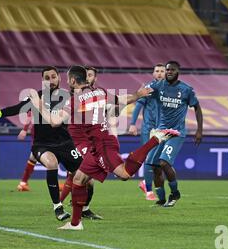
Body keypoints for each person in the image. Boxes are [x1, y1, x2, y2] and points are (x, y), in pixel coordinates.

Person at [29, 65, 179, 230]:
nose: (66, 82)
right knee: (79, 179)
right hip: (98, 143)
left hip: (102, 144)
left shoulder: (75, 100)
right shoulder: (100, 92)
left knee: (124, 174)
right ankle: (75, 223)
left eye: (67, 79)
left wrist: (38, 104)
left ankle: (155, 139)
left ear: (72, 80)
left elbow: (54, 122)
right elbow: (123, 100)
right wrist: (139, 94)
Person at [0, 66, 83, 221]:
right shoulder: (37, 98)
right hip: (42, 144)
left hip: (65, 143)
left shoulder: (68, 97)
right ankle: (58, 207)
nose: (51, 80)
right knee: (51, 163)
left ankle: (85, 208)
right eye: (47, 78)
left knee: (83, 175)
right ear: (43, 81)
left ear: (59, 78)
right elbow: (18, 108)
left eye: (53, 77)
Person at [146, 61, 203, 207]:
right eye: (167, 70)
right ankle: (161, 199)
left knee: (164, 162)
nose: (169, 72)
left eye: (172, 69)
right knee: (154, 166)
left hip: (176, 133)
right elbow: (143, 92)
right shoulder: (159, 85)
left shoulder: (186, 90)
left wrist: (199, 130)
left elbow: (197, 108)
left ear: (178, 71)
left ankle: (175, 193)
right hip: (160, 132)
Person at [59, 66, 102, 220]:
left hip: (89, 140)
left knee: (84, 178)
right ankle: (62, 206)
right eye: (87, 75)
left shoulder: (96, 95)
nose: (89, 78)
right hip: (73, 140)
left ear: (94, 78)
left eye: (91, 75)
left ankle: (79, 208)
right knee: (78, 175)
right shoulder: (73, 96)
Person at [129, 64, 165, 201]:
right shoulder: (149, 88)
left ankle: (146, 183)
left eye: (162, 71)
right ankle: (149, 191)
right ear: (153, 73)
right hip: (149, 128)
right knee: (150, 158)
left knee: (158, 160)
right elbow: (139, 104)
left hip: (162, 129)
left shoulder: (169, 90)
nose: (160, 73)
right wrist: (132, 124)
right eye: (157, 71)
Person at [16, 110, 37, 192]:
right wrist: (24, 129)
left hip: (51, 131)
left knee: (33, 157)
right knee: (33, 157)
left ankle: (23, 183)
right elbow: (31, 113)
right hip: (40, 131)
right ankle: (23, 183)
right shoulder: (43, 100)